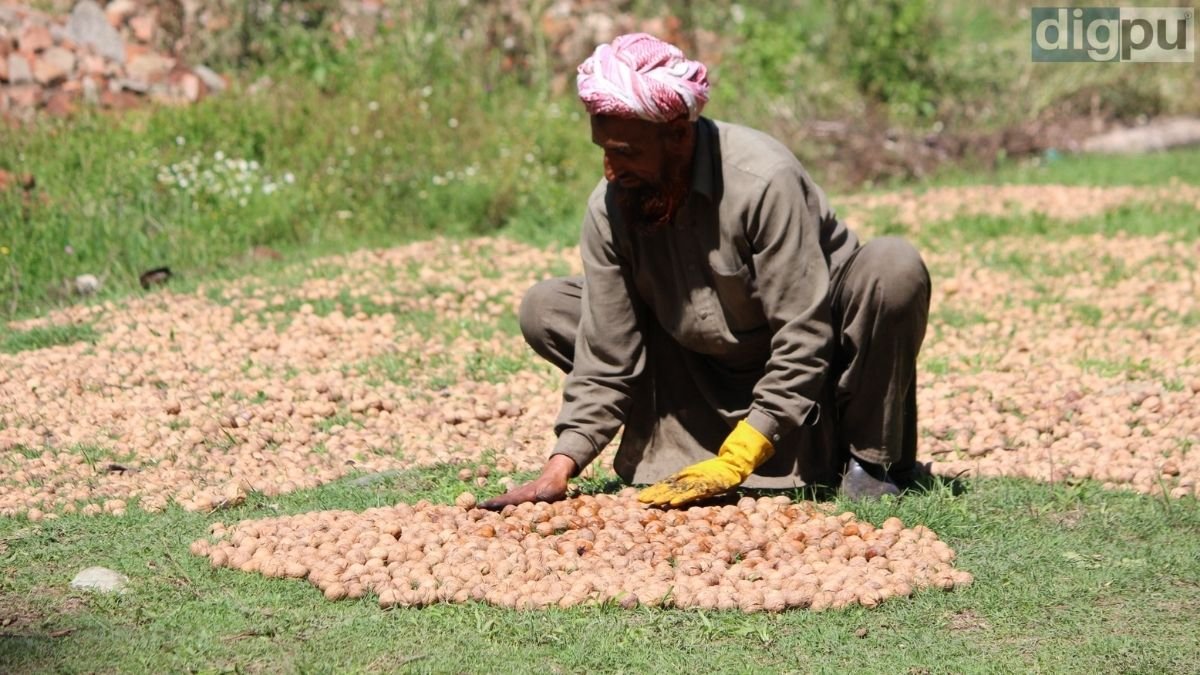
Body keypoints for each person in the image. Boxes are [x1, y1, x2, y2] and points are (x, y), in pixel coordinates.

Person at [481, 33, 930, 510]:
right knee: (547, 306)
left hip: (813, 363)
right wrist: (560, 466)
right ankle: (683, 444)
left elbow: (804, 333)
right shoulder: (610, 205)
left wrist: (739, 456)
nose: (611, 170)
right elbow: (606, 352)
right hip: (698, 366)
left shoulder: (763, 180)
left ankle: (868, 462)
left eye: (626, 152)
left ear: (678, 134)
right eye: (604, 151)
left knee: (893, 268)